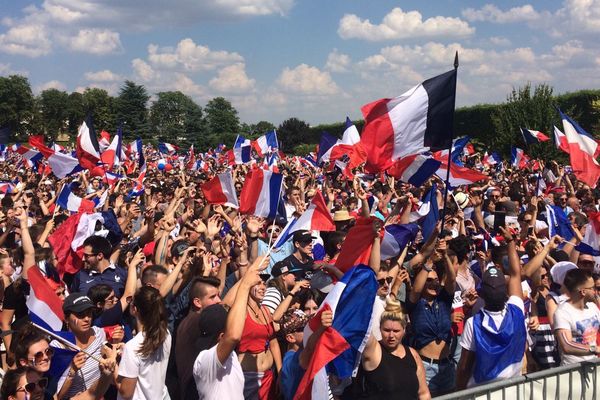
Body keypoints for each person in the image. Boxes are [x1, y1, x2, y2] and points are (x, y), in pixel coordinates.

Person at [456, 227, 527, 389]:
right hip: (513, 390)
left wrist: (458, 393)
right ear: (505, 292)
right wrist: (510, 242)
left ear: (483, 295)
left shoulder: (473, 323)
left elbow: (464, 367)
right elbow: (516, 274)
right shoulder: (517, 310)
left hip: (481, 392)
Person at [192, 256, 269, 400]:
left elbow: (226, 305)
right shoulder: (205, 360)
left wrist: (252, 270)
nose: (220, 300)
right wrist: (246, 286)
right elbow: (233, 336)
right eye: (213, 296)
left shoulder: (226, 353)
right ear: (222, 336)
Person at [359, 298, 430, 400]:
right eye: (386, 330)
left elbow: (423, 393)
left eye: (396, 331)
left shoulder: (413, 354)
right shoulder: (373, 351)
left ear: (404, 330)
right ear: (380, 329)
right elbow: (362, 327)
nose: (391, 335)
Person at [116, 286, 172, 399]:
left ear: (134, 309)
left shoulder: (132, 347)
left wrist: (113, 363)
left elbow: (126, 393)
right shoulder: (166, 333)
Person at [176, 276, 222, 400]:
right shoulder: (198, 321)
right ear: (197, 302)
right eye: (212, 297)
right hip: (196, 393)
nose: (219, 300)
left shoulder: (190, 319)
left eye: (218, 295)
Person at [278, 308, 333, 400]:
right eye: (303, 328)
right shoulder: (291, 359)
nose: (308, 330)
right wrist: (320, 329)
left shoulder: (290, 356)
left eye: (309, 325)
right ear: (291, 338)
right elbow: (308, 350)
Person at [553, 268, 600, 365]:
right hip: (573, 372)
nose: (595, 291)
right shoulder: (562, 312)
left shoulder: (592, 307)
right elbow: (567, 345)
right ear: (583, 291)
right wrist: (594, 349)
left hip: (594, 366)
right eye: (592, 288)